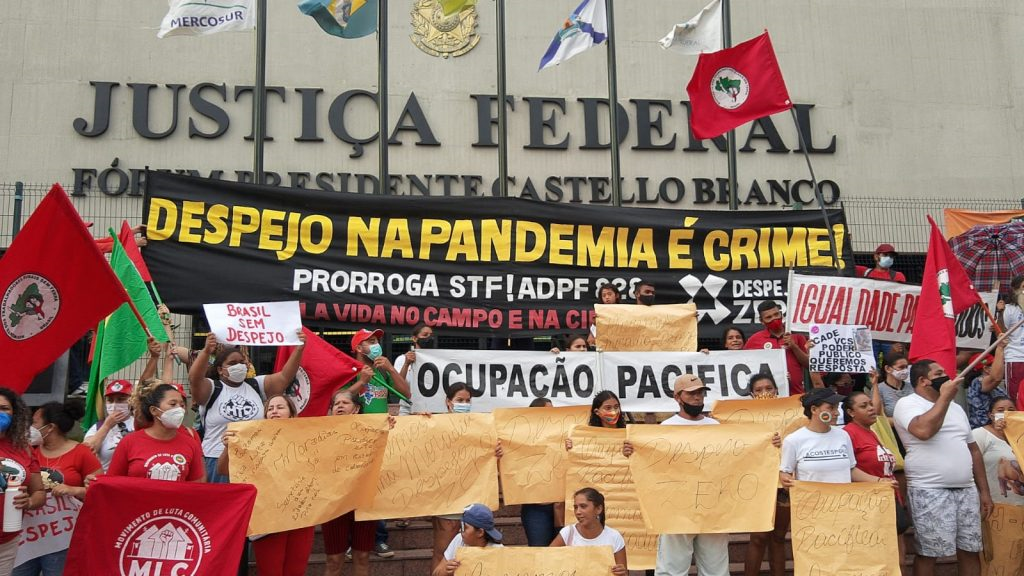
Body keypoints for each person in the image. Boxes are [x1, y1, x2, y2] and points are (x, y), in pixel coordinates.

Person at [893, 359, 993, 576]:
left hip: (966, 490)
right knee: (929, 553)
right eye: (939, 373)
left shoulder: (956, 408)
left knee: (970, 549)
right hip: (929, 490)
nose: (946, 376)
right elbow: (923, 431)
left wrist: (984, 491)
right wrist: (946, 398)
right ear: (923, 381)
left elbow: (973, 450)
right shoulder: (908, 404)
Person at [624, 375, 729, 576]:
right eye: (691, 393)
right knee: (672, 569)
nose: (698, 397)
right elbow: (653, 466)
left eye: (700, 393)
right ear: (677, 398)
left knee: (716, 570)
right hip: (676, 508)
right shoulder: (666, 429)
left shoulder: (716, 427)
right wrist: (634, 451)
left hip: (712, 507)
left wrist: (769, 443)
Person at [188, 330, 305, 483]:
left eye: (242, 362)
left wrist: (299, 349)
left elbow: (284, 377)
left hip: (252, 459)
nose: (239, 366)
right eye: (232, 363)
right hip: (217, 460)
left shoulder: (256, 385)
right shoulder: (212, 388)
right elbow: (194, 379)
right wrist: (206, 351)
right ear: (220, 370)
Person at [217, 395, 314, 576]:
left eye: (280, 407)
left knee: (296, 571)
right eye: (270, 409)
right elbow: (223, 470)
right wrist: (228, 448)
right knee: (270, 571)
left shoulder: (308, 438)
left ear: (292, 414)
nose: (274, 411)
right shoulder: (253, 440)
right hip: (268, 518)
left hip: (302, 516)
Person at [13, 402, 103, 576]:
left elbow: (101, 492)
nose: (29, 428)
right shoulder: (27, 452)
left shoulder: (82, 453)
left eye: (34, 423)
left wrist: (73, 490)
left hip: (63, 538)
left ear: (50, 427)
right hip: (28, 536)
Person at [841, 391, 911, 555]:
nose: (871, 409)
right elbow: (848, 469)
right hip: (868, 505)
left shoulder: (872, 432)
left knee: (898, 558)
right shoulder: (848, 433)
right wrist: (877, 481)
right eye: (863, 406)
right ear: (851, 413)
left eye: (871, 404)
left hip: (889, 499)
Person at [322, 389, 378, 576]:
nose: (339, 406)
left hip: (363, 502)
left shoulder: (372, 431)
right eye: (336, 404)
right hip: (334, 503)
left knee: (362, 556)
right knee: (334, 559)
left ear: (356, 409)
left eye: (344, 403)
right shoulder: (320, 434)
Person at [780, 388, 886, 485]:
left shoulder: (843, 435)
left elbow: (851, 469)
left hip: (842, 502)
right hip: (811, 503)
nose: (837, 413)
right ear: (814, 410)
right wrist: (786, 480)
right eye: (831, 408)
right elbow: (785, 472)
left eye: (836, 408)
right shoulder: (793, 440)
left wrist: (879, 481)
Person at [106, 379, 205, 482]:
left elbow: (197, 486)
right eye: (173, 404)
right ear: (154, 410)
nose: (179, 409)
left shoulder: (190, 444)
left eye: (181, 405)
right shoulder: (129, 442)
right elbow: (112, 481)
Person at [742, 373, 790, 576]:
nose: (765, 393)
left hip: (783, 482)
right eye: (759, 390)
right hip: (757, 483)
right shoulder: (743, 419)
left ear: (777, 391)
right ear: (752, 395)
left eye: (769, 388)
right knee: (759, 536)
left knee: (779, 537)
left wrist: (784, 442)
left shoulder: (791, 416)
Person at [0, 388, 46, 574]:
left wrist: (28, 502)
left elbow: (39, 493)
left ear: (15, 414)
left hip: (6, 541)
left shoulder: (24, 448)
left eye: (4, 408)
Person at [550, 487, 627, 575]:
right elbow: (546, 562)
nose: (577, 512)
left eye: (583, 506)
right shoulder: (567, 533)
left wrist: (622, 572)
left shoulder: (614, 537)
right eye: (575, 507)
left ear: (598, 509)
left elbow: (624, 573)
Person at [520, 398, 562, 547]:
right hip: (536, 506)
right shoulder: (520, 439)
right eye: (547, 411)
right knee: (539, 551)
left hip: (561, 505)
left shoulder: (563, 434)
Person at [744, 301, 809, 394]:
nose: (774, 319)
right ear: (761, 321)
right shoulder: (754, 340)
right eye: (768, 317)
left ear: (781, 314)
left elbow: (809, 365)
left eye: (776, 314)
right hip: (767, 398)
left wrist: (794, 347)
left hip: (796, 394)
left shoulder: (796, 335)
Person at [971, 397, 1023, 505]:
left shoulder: (1021, 436)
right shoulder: (980, 435)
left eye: (1011, 410)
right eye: (1000, 410)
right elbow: (970, 467)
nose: (1006, 413)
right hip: (994, 503)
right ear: (991, 415)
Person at [349, 328, 411, 415]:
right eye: (372, 342)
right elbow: (338, 398)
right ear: (359, 348)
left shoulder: (382, 371)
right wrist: (361, 382)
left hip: (382, 425)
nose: (377, 345)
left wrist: (391, 369)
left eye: (377, 342)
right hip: (358, 426)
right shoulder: (350, 372)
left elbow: (406, 394)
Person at [432, 504, 503, 576]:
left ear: (480, 532)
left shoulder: (498, 551)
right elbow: (435, 573)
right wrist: (445, 570)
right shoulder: (459, 539)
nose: (460, 530)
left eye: (464, 527)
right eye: (461, 526)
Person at [82, 379, 135, 472]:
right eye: (110, 400)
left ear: (131, 401)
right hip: (107, 479)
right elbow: (85, 452)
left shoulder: (139, 424)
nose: (114, 405)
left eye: (121, 399)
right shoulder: (98, 426)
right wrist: (106, 426)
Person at [394, 322, 434, 416]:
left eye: (431, 335)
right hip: (407, 409)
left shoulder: (436, 361)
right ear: (415, 338)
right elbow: (397, 385)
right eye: (425, 335)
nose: (429, 337)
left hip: (430, 410)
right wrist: (406, 364)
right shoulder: (402, 359)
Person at [997, 275, 1024, 405]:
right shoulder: (1009, 309)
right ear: (1016, 290)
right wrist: (1001, 313)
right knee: (1015, 396)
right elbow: (1000, 332)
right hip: (1016, 358)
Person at [966, 345, 1008, 428]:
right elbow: (996, 377)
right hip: (984, 432)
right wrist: (1000, 348)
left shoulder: (996, 387)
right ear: (986, 369)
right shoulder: (977, 382)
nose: (1002, 365)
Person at [870, 352, 913, 417]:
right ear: (887, 369)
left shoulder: (911, 387)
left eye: (906, 367)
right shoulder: (878, 389)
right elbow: (877, 414)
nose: (905, 370)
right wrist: (875, 384)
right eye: (901, 367)